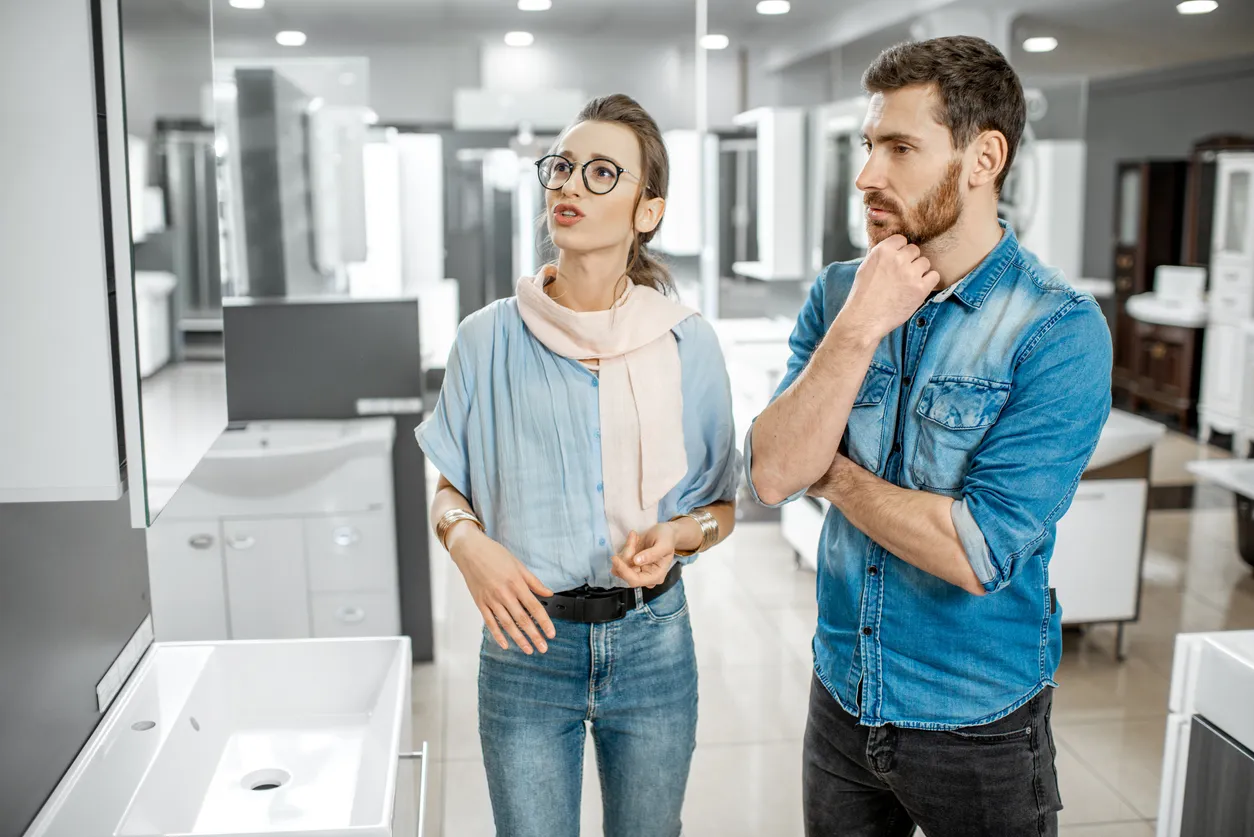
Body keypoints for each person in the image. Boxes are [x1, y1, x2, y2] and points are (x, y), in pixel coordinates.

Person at [745, 36, 1112, 837]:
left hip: (976, 725)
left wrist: (834, 475)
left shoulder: (1058, 330)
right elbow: (772, 473)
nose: (867, 174)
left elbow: (974, 550)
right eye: (868, 144)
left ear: (983, 158)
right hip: (842, 696)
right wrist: (860, 325)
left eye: (899, 147)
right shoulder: (844, 290)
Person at [417, 93, 740, 837]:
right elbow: (448, 489)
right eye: (561, 168)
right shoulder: (486, 338)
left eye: (601, 173)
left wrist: (679, 536)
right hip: (528, 644)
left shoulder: (687, 342)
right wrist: (470, 545)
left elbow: (721, 508)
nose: (568, 186)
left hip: (653, 642)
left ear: (646, 211)